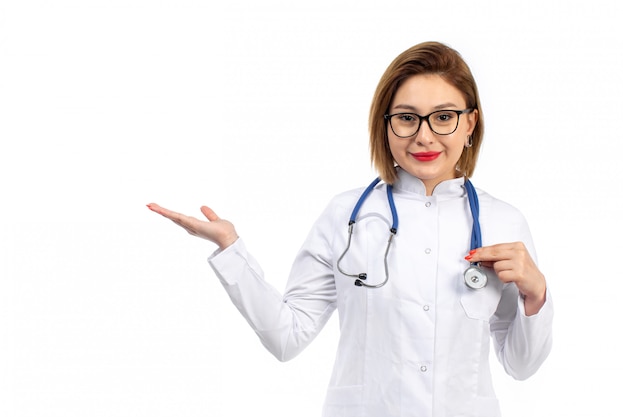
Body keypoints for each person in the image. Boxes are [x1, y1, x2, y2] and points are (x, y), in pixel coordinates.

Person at [147, 41, 553, 417]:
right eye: (407, 118)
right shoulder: (346, 214)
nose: (424, 135)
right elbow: (287, 337)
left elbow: (521, 365)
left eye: (444, 117)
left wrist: (536, 295)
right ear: (385, 124)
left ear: (470, 124)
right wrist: (230, 248)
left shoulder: (503, 223)